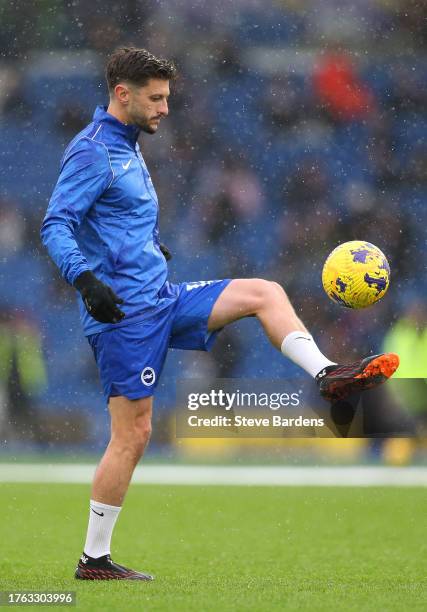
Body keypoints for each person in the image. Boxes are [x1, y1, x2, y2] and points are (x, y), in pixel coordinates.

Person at [40, 47, 399, 581]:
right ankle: (94, 559)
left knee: (264, 292)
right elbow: (56, 224)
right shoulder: (93, 151)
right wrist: (86, 280)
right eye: (156, 99)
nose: (165, 108)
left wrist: (151, 248)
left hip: (160, 298)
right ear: (123, 94)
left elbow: (120, 220)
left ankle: (328, 375)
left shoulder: (130, 146)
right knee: (133, 436)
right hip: (124, 315)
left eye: (167, 98)